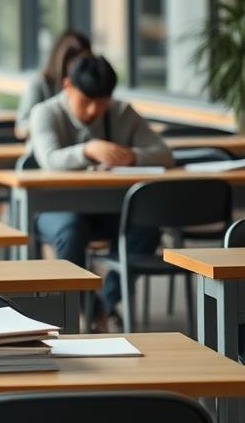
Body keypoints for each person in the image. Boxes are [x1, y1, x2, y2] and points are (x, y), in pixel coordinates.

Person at [23, 54, 172, 332]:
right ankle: (84, 308)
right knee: (70, 232)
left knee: (146, 227)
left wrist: (132, 157)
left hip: (109, 210)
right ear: (67, 86)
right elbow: (49, 159)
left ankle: (104, 300)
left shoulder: (122, 112)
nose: (93, 111)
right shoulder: (45, 112)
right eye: (86, 101)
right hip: (55, 209)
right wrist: (87, 150)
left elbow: (164, 153)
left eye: (101, 104)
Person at [15, 29, 92, 138]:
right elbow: (20, 129)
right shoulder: (39, 83)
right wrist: (48, 120)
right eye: (75, 61)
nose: (81, 66)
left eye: (86, 60)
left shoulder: (89, 88)